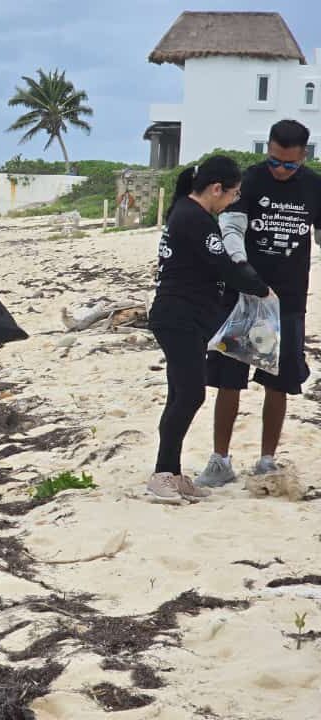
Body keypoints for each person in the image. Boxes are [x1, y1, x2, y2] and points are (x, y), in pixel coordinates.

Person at [196, 120, 321, 487]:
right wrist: (244, 271)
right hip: (242, 297)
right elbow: (231, 229)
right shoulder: (249, 180)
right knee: (228, 379)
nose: (281, 171)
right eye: (275, 161)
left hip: (288, 302)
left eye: (290, 165)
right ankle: (220, 459)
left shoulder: (314, 186)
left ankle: (267, 459)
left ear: (303, 157)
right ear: (267, 150)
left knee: (278, 384)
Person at [147, 155, 271, 504]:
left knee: (180, 393)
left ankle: (171, 472)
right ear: (217, 189)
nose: (233, 201)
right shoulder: (193, 217)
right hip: (177, 317)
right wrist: (261, 288)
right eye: (233, 194)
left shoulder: (189, 213)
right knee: (190, 394)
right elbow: (225, 267)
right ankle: (161, 474)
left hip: (186, 317)